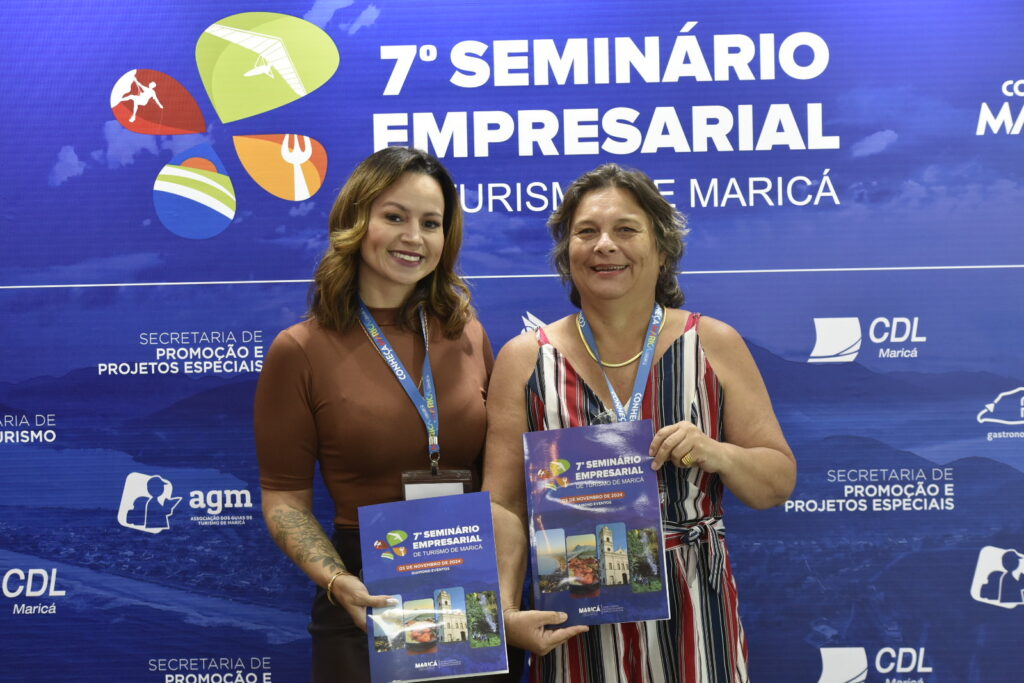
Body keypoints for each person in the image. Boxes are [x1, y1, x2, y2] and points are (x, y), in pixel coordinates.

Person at [484, 163, 796, 682]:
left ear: (663, 248)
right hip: (574, 618)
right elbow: (504, 505)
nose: (604, 245)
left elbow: (776, 482)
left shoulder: (713, 344)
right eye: (586, 232)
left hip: (696, 617)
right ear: (567, 253)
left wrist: (717, 452)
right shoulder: (524, 359)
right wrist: (505, 612)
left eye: (626, 229)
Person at [254, 147, 497, 682]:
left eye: (430, 223)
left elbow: (499, 474)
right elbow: (284, 499)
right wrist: (336, 580)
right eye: (394, 217)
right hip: (364, 596)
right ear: (356, 222)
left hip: (470, 587)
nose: (414, 237)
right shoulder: (299, 350)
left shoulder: (469, 334)